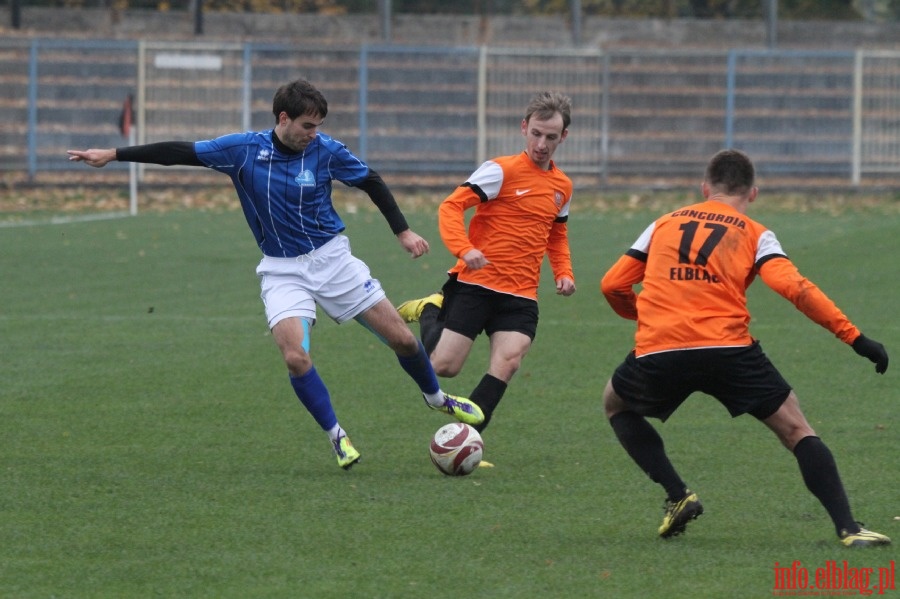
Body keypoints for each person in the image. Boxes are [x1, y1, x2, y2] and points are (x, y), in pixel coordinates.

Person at [67, 78, 483, 471]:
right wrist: (115, 154)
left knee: (402, 339)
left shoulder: (326, 150)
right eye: (307, 125)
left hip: (333, 261)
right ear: (282, 119)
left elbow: (370, 180)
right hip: (282, 270)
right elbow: (180, 152)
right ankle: (337, 436)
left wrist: (403, 231)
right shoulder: (243, 150)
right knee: (295, 356)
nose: (313, 133)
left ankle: (436, 397)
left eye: (318, 125)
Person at [599, 149, 890, 547]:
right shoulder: (755, 232)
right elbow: (795, 288)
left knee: (615, 404)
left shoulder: (663, 224)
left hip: (660, 349)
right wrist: (854, 338)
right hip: (728, 350)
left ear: (705, 189)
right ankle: (849, 528)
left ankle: (677, 493)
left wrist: (647, 316)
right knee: (795, 428)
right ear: (752, 193)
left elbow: (612, 284)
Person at [397, 91, 576, 435]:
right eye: (536, 133)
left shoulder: (562, 187)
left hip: (521, 294)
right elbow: (451, 206)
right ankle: (431, 310)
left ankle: (467, 439)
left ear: (563, 137)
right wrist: (464, 249)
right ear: (524, 128)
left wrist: (564, 272)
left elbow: (557, 234)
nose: (542, 144)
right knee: (443, 368)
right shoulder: (500, 170)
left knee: (509, 360)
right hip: (476, 284)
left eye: (551, 137)